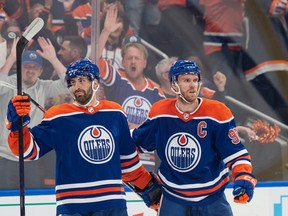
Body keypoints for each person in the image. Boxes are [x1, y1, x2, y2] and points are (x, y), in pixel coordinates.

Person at [6, 58, 162, 215]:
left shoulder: (115, 112)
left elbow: (128, 161)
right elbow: (27, 151)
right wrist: (17, 125)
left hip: (112, 202)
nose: (76, 86)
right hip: (72, 205)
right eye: (72, 82)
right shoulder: (58, 116)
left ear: (95, 83)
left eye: (82, 80)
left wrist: (149, 188)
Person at [132, 60, 257, 215]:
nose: (193, 85)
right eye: (186, 80)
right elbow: (131, 148)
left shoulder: (218, 112)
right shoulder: (160, 113)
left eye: (195, 80)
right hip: (173, 198)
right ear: (174, 85)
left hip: (213, 198)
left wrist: (243, 176)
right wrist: (142, 182)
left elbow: (236, 154)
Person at [98, 5, 166, 171]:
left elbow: (163, 127)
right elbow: (95, 60)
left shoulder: (157, 92)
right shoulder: (117, 79)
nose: (133, 62)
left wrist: (141, 130)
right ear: (123, 61)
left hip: (146, 161)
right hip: (117, 156)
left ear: (145, 63)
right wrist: (105, 32)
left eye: (137, 58)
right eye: (129, 58)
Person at [0, 39, 69, 189]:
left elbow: (69, 85)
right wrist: (12, 57)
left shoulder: (43, 86)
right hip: (5, 158)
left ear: (41, 71)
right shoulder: (8, 82)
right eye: (26, 66)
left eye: (35, 67)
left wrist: (53, 58)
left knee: (33, 202)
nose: (30, 70)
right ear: (19, 67)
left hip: (31, 159)